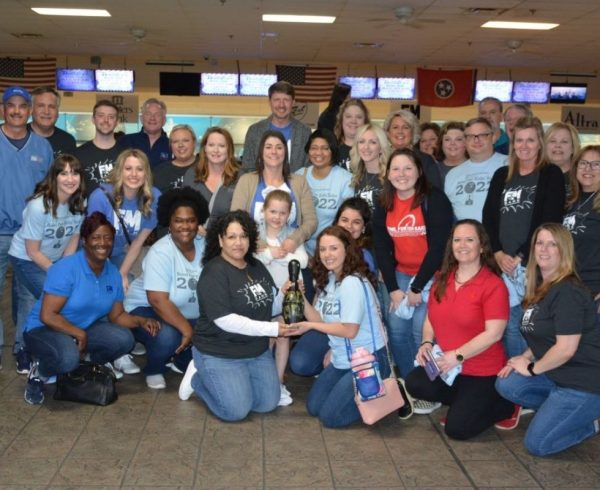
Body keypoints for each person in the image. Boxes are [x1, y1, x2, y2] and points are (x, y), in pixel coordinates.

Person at [22, 212, 159, 405]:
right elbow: (47, 315)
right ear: (85, 241)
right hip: (44, 329)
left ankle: (84, 363)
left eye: (107, 238)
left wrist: (141, 321)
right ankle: (40, 371)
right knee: (67, 357)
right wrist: (78, 333)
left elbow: (117, 315)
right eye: (95, 237)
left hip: (81, 328)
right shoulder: (67, 268)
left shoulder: (112, 273)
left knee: (124, 340)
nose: (102, 243)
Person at [178, 210, 294, 421]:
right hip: (220, 351)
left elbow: (270, 305)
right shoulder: (214, 272)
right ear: (220, 240)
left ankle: (235, 383)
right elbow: (226, 320)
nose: (238, 242)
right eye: (231, 236)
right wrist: (272, 329)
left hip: (255, 351)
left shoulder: (257, 267)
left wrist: (285, 294)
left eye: (243, 236)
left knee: (267, 403)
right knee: (236, 411)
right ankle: (197, 378)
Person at [496, 224, 600, 456]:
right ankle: (560, 412)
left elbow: (565, 349)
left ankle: (593, 423)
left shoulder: (568, 292)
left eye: (553, 244)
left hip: (584, 383)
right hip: (558, 376)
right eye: (540, 243)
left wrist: (532, 369)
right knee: (508, 383)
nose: (544, 249)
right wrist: (523, 357)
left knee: (538, 444)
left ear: (564, 250)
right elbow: (543, 334)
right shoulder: (542, 287)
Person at [405, 220, 515, 440]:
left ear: (482, 246)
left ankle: (503, 404)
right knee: (415, 382)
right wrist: (427, 343)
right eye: (457, 240)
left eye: (469, 239)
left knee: (457, 430)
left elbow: (494, 333)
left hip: (481, 370)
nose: (462, 245)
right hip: (448, 366)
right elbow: (430, 318)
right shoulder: (443, 279)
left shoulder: (493, 285)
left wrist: (457, 355)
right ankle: (466, 402)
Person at [373, 148, 453, 414]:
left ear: (419, 171)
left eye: (408, 168)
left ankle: (430, 386)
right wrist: (394, 289)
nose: (402, 174)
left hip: (432, 276)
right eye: (395, 169)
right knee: (396, 330)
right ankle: (411, 383)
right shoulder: (384, 202)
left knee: (422, 333)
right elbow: (382, 247)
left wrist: (417, 286)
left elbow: (439, 247)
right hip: (400, 275)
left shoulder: (435, 199)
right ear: (387, 173)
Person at [285, 226, 388, 428]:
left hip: (367, 360)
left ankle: (376, 392)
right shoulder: (331, 278)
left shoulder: (352, 282)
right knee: (314, 407)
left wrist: (308, 325)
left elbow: (350, 330)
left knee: (330, 418)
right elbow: (320, 319)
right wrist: (298, 295)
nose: (327, 254)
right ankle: (362, 394)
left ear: (347, 249)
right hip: (343, 358)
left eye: (333, 248)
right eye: (322, 249)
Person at [483, 116, 565, 359]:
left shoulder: (551, 174)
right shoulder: (501, 175)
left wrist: (520, 256)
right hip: (502, 263)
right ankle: (512, 378)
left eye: (530, 140)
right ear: (513, 143)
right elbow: (488, 217)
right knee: (508, 326)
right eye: (519, 140)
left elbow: (549, 220)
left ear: (540, 142)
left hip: (533, 264)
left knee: (530, 326)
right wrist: (497, 253)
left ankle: (529, 379)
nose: (524, 146)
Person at [124, 188, 209, 389]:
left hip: (184, 311)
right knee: (168, 336)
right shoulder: (160, 252)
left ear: (198, 223)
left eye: (191, 220)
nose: (185, 226)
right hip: (145, 310)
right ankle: (155, 368)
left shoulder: (206, 246)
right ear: (169, 223)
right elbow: (157, 300)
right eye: (179, 220)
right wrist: (188, 330)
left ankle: (179, 360)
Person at [8, 154, 86, 374]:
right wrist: (58, 275)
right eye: (64, 173)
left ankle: (22, 347)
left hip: (52, 259)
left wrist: (67, 268)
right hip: (25, 258)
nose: (70, 179)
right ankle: (33, 347)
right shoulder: (38, 206)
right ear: (54, 176)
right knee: (50, 296)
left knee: (28, 301)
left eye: (75, 172)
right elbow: (32, 251)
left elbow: (73, 237)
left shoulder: (79, 201)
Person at [288, 197, 375, 378]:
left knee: (306, 364)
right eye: (344, 220)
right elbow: (320, 314)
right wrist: (297, 294)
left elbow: (353, 327)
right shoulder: (326, 263)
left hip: (353, 335)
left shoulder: (362, 262)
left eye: (356, 222)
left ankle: (344, 368)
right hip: (328, 325)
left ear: (364, 228)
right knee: (299, 362)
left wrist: (336, 351)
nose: (349, 226)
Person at [0, 86, 53, 370]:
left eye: (23, 106)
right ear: (3, 109)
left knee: (27, 295)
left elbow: (50, 191)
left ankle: (22, 347)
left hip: (29, 236)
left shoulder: (42, 147)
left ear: (29, 111)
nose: (17, 110)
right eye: (11, 105)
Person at [255, 190, 308, 405]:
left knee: (284, 337)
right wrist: (269, 254)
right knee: (266, 338)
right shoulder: (255, 235)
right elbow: (253, 260)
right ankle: (263, 379)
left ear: (289, 215)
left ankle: (278, 380)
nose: (277, 217)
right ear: (264, 211)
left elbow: (302, 261)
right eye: (273, 211)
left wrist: (279, 253)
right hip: (264, 295)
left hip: (289, 296)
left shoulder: (293, 235)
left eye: (282, 213)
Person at [87, 149, 160, 291]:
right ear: (120, 171)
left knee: (127, 287)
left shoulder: (153, 197)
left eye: (139, 169)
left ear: (146, 173)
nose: (134, 174)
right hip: (94, 253)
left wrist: (122, 274)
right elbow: (92, 241)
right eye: (128, 169)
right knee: (102, 289)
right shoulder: (100, 197)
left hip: (121, 252)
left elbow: (138, 241)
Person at [231, 130, 316, 251]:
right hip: (254, 253)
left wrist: (294, 240)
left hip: (290, 252)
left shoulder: (299, 182)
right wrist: (260, 245)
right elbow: (236, 219)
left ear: (285, 152)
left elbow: (311, 221)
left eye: (279, 147)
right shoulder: (246, 181)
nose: (274, 152)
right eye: (268, 147)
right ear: (261, 152)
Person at [296, 129, 353, 257]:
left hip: (332, 252)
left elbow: (346, 221)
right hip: (301, 250)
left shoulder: (345, 180)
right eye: (314, 148)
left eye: (325, 148)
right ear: (308, 151)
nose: (318, 153)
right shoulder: (299, 176)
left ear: (332, 151)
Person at [241, 81, 312, 173]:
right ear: (270, 102)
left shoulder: (304, 132)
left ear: (293, 102)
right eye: (277, 100)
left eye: (286, 100)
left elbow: (308, 167)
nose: (281, 105)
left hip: (295, 186)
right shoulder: (254, 131)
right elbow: (247, 167)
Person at [563, 145, 600, 317]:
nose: (588, 168)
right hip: (567, 290)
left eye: (596, 164)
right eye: (583, 163)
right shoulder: (568, 202)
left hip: (594, 293)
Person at [444, 117, 506, 221]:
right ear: (465, 141)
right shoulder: (452, 174)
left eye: (482, 135)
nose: (476, 140)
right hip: (465, 235)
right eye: (470, 136)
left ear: (494, 137)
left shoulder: (509, 164)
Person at [183, 126, 239, 233]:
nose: (216, 150)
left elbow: (243, 214)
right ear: (205, 148)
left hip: (227, 239)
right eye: (211, 145)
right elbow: (183, 207)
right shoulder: (192, 174)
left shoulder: (239, 177)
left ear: (229, 149)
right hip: (195, 237)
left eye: (221, 146)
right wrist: (195, 226)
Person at [383, 109, 442, 189]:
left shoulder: (426, 161)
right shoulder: (380, 158)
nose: (400, 131)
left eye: (406, 127)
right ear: (388, 133)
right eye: (395, 127)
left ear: (413, 132)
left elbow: (435, 193)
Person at [74, 99, 121, 194]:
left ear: (117, 121)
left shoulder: (127, 154)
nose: (106, 120)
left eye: (111, 117)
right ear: (93, 119)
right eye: (101, 116)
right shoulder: (77, 154)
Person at [118, 98, 171, 168]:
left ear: (164, 120)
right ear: (141, 118)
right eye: (148, 114)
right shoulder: (124, 141)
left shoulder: (172, 145)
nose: (152, 118)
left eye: (157, 114)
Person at [350, 123, 391, 211]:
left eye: (372, 142)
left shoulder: (391, 177)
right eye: (361, 141)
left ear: (381, 148)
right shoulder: (356, 177)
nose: (366, 147)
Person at [29, 86, 76, 158]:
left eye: (52, 107)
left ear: (57, 112)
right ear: (31, 109)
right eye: (41, 106)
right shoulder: (17, 136)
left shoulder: (68, 141)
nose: (46, 112)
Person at [152, 124, 197, 192]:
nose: (180, 145)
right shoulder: (159, 172)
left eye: (185, 140)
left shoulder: (206, 167)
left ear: (194, 143)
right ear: (171, 146)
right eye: (175, 142)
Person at [333, 98, 370, 171]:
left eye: (358, 117)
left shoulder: (372, 150)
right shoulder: (332, 150)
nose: (353, 121)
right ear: (341, 120)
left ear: (365, 122)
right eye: (348, 116)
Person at [544, 122, 580, 196]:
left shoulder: (581, 177)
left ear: (573, 148)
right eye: (553, 141)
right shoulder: (536, 176)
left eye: (564, 142)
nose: (558, 145)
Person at [437, 121, 467, 186]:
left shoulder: (476, 167)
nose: (452, 143)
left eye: (458, 139)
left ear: (466, 143)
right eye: (447, 139)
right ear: (441, 143)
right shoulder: (433, 170)